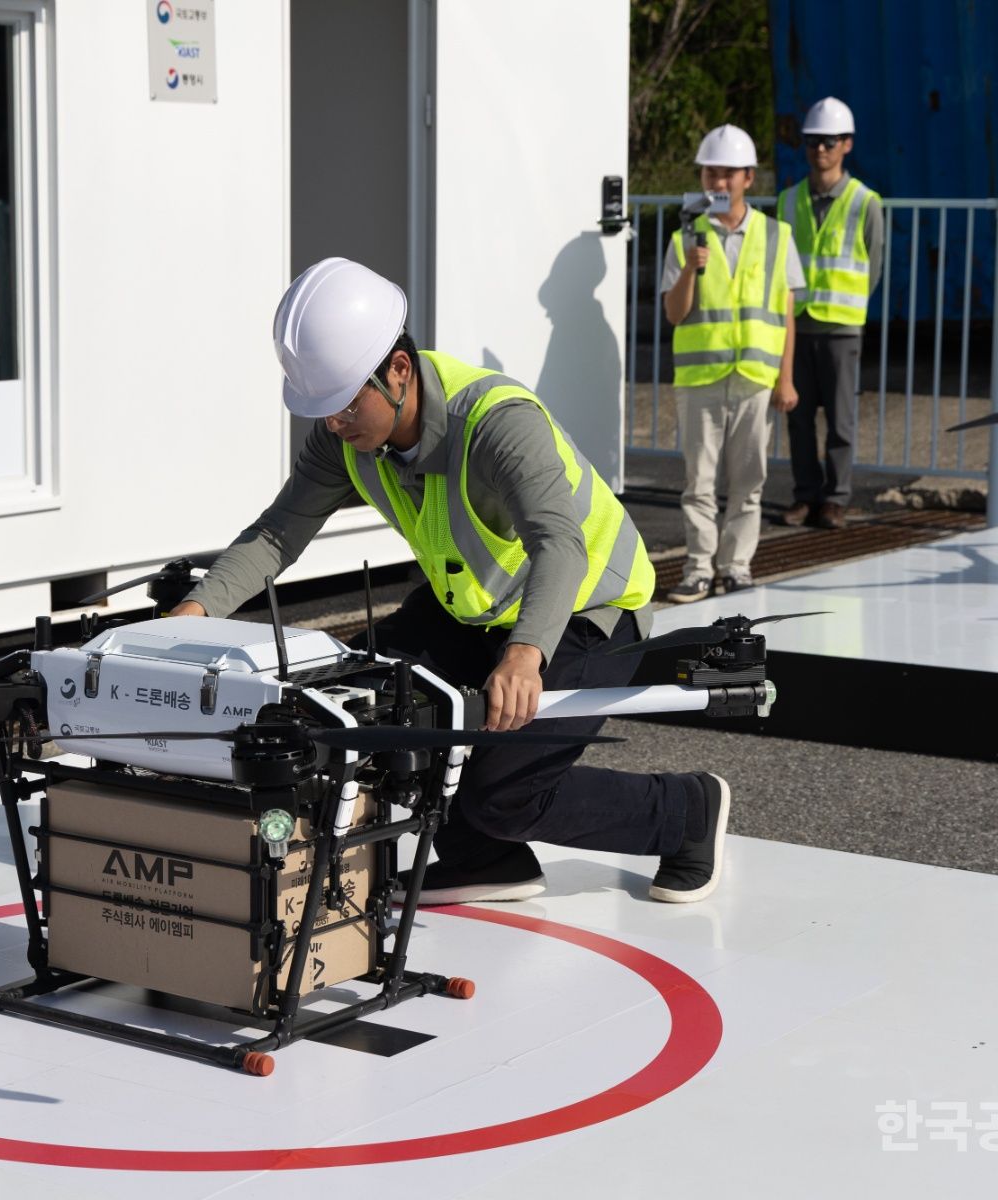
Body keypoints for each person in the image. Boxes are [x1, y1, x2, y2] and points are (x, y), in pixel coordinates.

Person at [169, 257, 731, 905]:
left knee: (504, 792)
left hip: (589, 608)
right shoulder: (343, 437)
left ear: (399, 371)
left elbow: (560, 545)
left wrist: (525, 654)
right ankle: (485, 857)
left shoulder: (497, 422)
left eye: (345, 404)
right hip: (476, 607)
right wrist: (194, 611)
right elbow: (278, 534)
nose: (333, 425)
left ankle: (686, 812)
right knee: (351, 700)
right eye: (322, 411)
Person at [660, 124, 805, 602]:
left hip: (756, 379)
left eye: (727, 174)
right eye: (710, 173)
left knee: (749, 483)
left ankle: (737, 567)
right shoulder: (685, 236)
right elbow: (674, 313)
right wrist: (689, 268)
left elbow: (785, 313)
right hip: (700, 378)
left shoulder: (777, 235)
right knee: (697, 483)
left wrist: (786, 379)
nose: (718, 183)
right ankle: (699, 569)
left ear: (748, 177)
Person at [776, 97, 885, 530]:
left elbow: (872, 267)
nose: (820, 149)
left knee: (841, 423)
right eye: (812, 142)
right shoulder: (787, 201)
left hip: (841, 328)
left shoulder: (865, 202)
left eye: (829, 141)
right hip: (796, 327)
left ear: (846, 145)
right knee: (799, 421)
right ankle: (806, 496)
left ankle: (835, 499)